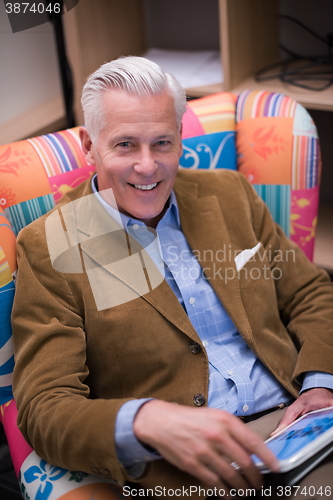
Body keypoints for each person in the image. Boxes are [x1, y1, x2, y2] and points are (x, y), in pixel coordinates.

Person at [12, 56, 333, 499]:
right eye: (125, 145)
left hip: (297, 422)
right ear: (89, 145)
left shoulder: (229, 194)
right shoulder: (52, 244)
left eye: (162, 142)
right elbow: (44, 408)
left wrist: (321, 384)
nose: (148, 167)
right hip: (187, 472)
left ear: (181, 136)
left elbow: (310, 292)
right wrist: (145, 421)